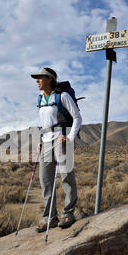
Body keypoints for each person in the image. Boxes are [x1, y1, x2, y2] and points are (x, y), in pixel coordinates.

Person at [30, 67, 82, 232]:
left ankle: (68, 213)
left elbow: (77, 117)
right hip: (46, 141)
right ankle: (50, 218)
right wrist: (40, 140)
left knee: (66, 176)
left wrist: (71, 137)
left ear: (49, 79)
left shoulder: (63, 96)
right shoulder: (40, 99)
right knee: (45, 180)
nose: (37, 81)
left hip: (62, 139)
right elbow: (44, 124)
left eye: (40, 78)